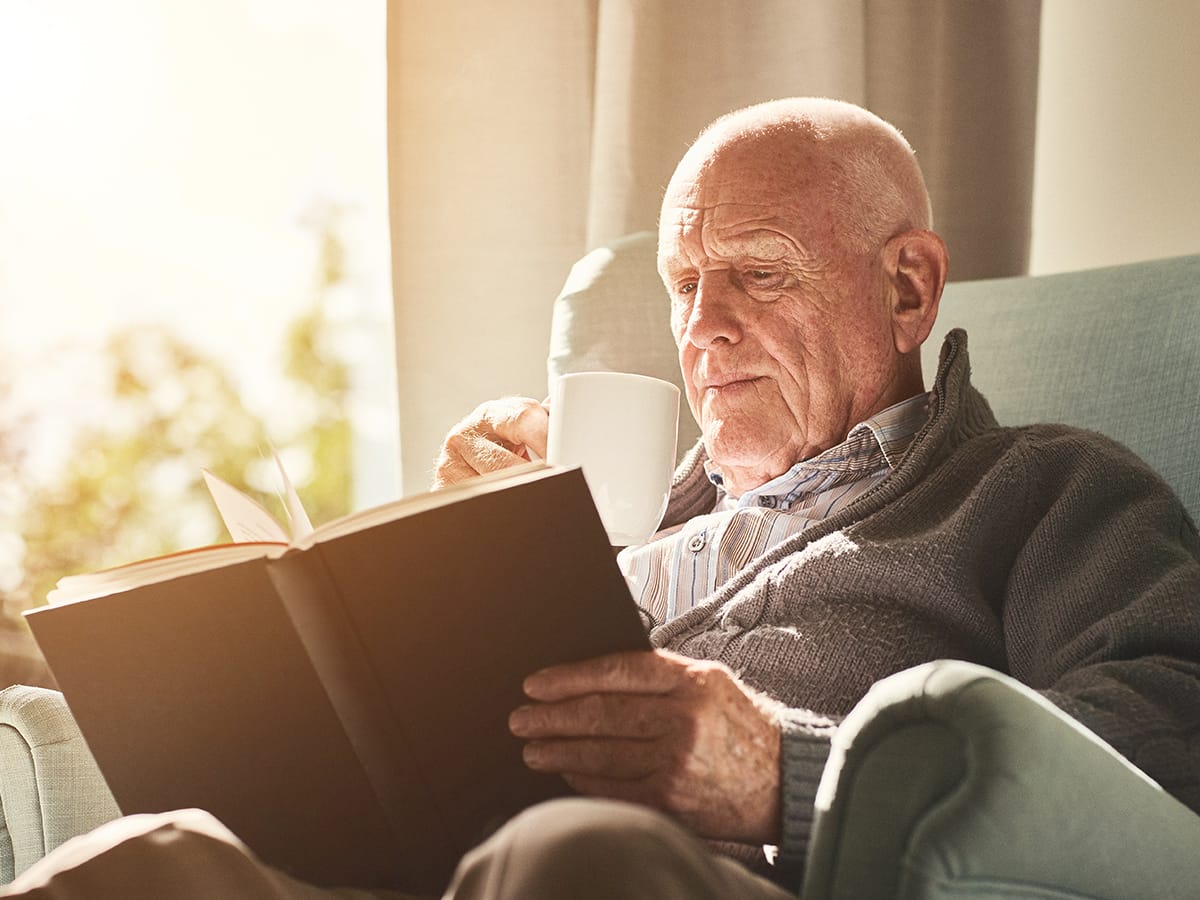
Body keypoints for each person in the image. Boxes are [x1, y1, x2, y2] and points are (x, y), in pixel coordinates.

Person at [4, 97, 1198, 899]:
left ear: (906, 285)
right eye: (685, 282)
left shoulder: (1045, 491)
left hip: (675, 875)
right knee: (149, 861)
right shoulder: (619, 513)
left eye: (757, 273)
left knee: (575, 849)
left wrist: (779, 770)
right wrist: (458, 577)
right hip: (434, 871)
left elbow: (1163, 741)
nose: (703, 327)